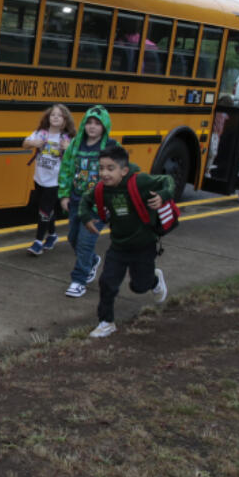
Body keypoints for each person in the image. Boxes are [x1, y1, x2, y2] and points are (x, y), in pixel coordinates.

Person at [79, 144, 172, 339]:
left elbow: (167, 180)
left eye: (110, 168)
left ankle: (154, 281)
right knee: (107, 282)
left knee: (139, 286)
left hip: (144, 246)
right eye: (101, 168)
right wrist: (86, 217)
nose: (104, 173)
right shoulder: (101, 189)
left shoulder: (140, 181)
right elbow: (85, 201)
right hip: (118, 246)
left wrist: (163, 196)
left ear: (124, 170)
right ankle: (106, 322)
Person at [58, 105, 119, 297]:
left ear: (104, 126)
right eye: (89, 123)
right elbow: (66, 170)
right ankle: (92, 261)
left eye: (97, 124)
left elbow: (120, 176)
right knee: (73, 238)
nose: (92, 127)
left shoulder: (111, 147)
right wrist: (64, 195)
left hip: (98, 206)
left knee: (85, 242)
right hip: (77, 201)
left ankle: (79, 280)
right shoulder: (76, 145)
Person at [23, 104, 75, 256]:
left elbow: (75, 159)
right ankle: (52, 235)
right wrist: (33, 143)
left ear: (65, 120)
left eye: (60, 115)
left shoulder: (67, 139)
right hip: (39, 178)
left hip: (55, 181)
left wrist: (68, 149)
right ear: (48, 117)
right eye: (53, 115)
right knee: (45, 208)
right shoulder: (40, 133)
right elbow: (24, 143)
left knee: (44, 211)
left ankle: (38, 242)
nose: (56, 117)